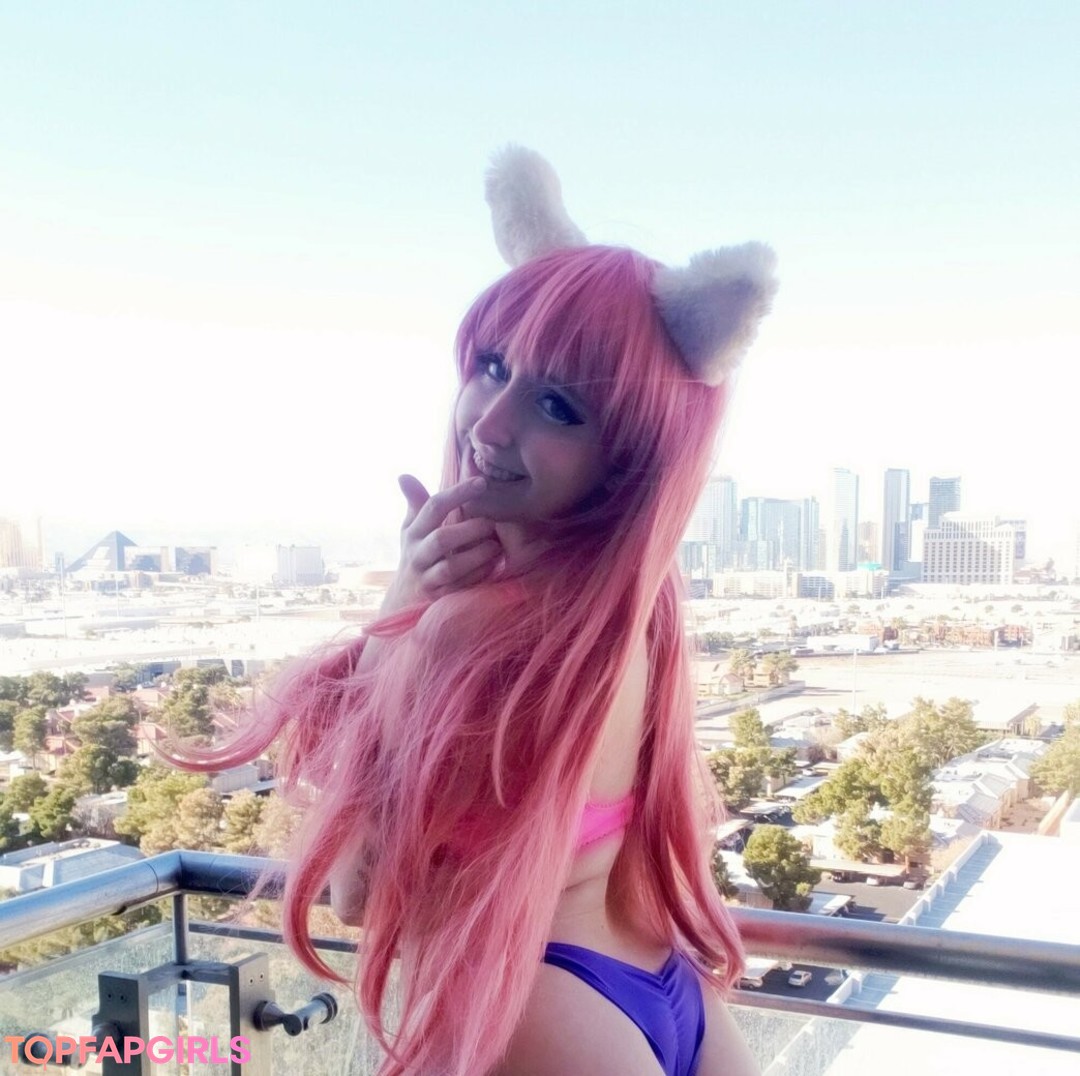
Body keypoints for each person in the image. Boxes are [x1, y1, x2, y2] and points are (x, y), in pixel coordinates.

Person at [185, 146, 775, 1076]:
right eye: (493, 366)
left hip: (540, 1008)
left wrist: (401, 614)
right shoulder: (635, 612)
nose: (491, 422)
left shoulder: (470, 627)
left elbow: (359, 890)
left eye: (558, 406)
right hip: (666, 984)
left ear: (629, 452)